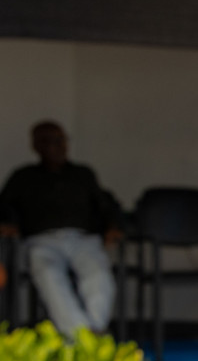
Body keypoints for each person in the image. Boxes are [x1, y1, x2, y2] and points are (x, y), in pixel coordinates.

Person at [0, 121, 122, 339]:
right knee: (48, 275)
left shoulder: (83, 174)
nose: (55, 146)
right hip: (41, 241)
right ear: (36, 146)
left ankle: (93, 330)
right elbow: (3, 207)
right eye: (47, 141)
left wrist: (113, 227)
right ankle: (83, 337)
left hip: (83, 239)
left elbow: (106, 205)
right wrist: (7, 225)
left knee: (98, 273)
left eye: (60, 140)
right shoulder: (23, 177)